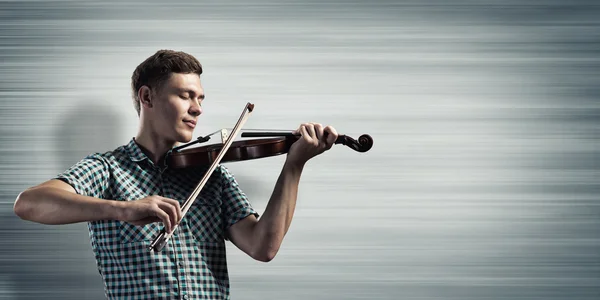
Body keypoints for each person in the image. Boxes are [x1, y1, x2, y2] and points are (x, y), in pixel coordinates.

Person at [13, 49, 338, 299]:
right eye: (185, 96)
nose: (197, 108)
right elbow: (29, 203)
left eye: (200, 99)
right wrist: (123, 209)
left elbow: (263, 246)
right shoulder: (107, 169)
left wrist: (294, 164)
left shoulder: (211, 174)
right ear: (147, 97)